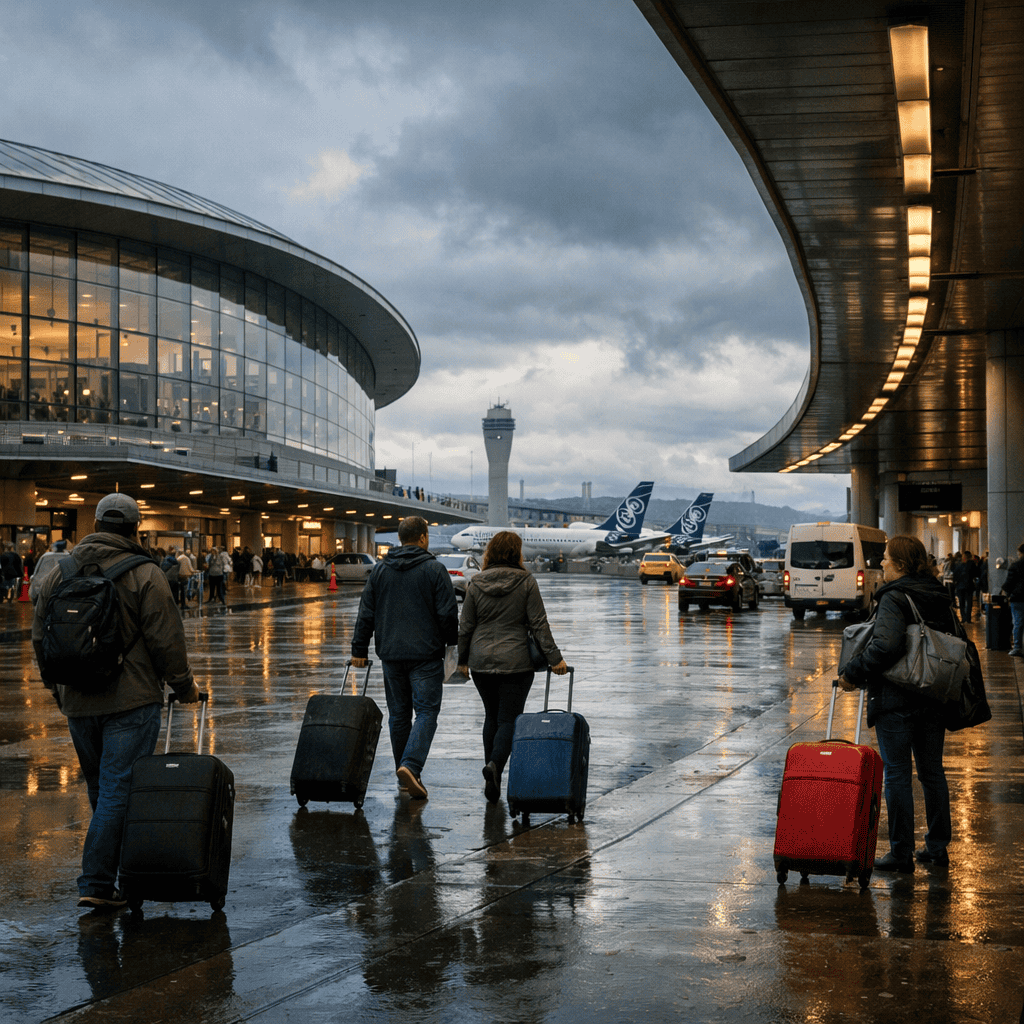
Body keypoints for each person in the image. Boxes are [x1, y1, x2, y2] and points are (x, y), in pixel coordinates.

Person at [31, 492, 200, 910]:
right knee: (117, 793)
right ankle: (98, 883)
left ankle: (118, 876)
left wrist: (57, 688)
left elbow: (41, 634)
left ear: (95, 524)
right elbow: (166, 638)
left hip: (78, 700)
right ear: (134, 528)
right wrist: (185, 688)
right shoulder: (145, 573)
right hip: (131, 700)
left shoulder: (61, 569)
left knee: (101, 790)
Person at [839, 535, 956, 873]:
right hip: (933, 694)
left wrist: (852, 672)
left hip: (897, 698)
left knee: (899, 775)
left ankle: (901, 852)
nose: (881, 563)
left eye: (886, 558)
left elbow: (886, 646)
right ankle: (937, 847)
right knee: (933, 773)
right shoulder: (937, 594)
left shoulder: (894, 596)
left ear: (902, 564)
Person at [351, 516, 458, 801]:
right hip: (426, 654)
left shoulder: (380, 571)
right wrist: (453, 646)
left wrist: (358, 650)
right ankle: (410, 766)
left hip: (391, 654)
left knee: (399, 715)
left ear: (400, 538)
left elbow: (366, 613)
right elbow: (448, 614)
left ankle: (405, 775)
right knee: (426, 712)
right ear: (423, 538)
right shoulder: (435, 570)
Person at [457, 530, 568, 804]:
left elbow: (466, 626)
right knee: (509, 719)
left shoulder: (476, 582)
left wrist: (461, 661)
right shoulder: (526, 582)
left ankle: (491, 773)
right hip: (516, 662)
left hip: (481, 662)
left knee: (491, 717)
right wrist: (555, 659)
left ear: (491, 552)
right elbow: (539, 624)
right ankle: (495, 767)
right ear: (515, 553)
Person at [29, 539, 72, 603]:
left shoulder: (45, 557)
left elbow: (36, 574)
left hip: (45, 592)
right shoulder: (69, 557)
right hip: (66, 590)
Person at [1001, 542, 1024, 657]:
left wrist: (1006, 592)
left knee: (1018, 623)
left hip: (1018, 598)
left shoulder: (1016, 565)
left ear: (1020, 553)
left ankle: (1018, 647)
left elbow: (1009, 583)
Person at [953, 550, 979, 623]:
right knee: (969, 603)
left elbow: (955, 576)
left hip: (960, 587)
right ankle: (968, 619)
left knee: (962, 603)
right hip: (969, 586)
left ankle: (963, 618)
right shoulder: (972, 564)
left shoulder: (958, 564)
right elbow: (976, 573)